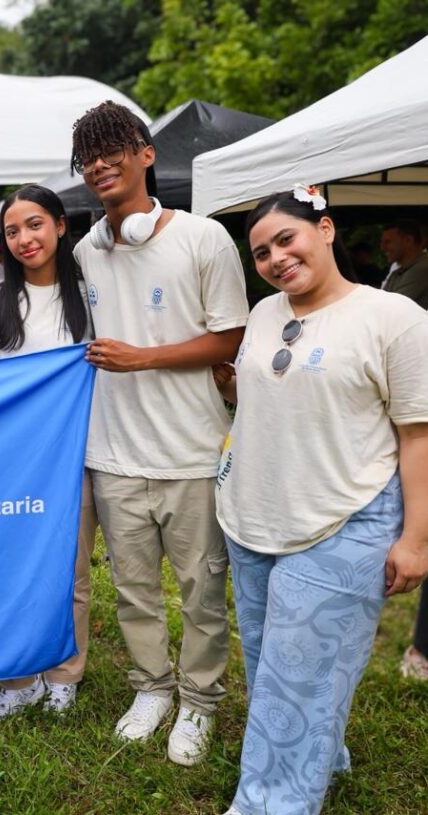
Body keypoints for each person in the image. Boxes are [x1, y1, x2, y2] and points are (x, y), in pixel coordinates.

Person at [217, 187, 428, 815]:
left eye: (287, 239)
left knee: (298, 675)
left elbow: (417, 433)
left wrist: (415, 538)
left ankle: (269, 803)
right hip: (253, 515)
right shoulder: (261, 314)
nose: (276, 259)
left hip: (346, 517)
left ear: (327, 228)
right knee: (270, 667)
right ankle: (319, 755)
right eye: (261, 252)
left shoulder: (396, 318)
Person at [72, 101, 247, 765]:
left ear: (147, 153)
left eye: (113, 148)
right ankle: (151, 687)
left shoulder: (203, 238)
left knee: (204, 590)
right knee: (135, 589)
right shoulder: (87, 249)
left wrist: (141, 357)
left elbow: (231, 334)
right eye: (89, 156)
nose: (100, 163)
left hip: (194, 451)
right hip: (113, 451)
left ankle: (200, 700)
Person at [0, 184, 97, 721]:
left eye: (34, 224)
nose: (23, 239)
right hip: (12, 461)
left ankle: (65, 674)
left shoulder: (91, 292)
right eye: (12, 230)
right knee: (9, 570)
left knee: (72, 571)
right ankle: (19, 678)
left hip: (76, 454)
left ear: (61, 226)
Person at [380, 219, 428, 308]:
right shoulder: (398, 271)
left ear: (408, 240)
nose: (382, 248)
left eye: (388, 242)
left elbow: (391, 307)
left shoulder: (422, 269)